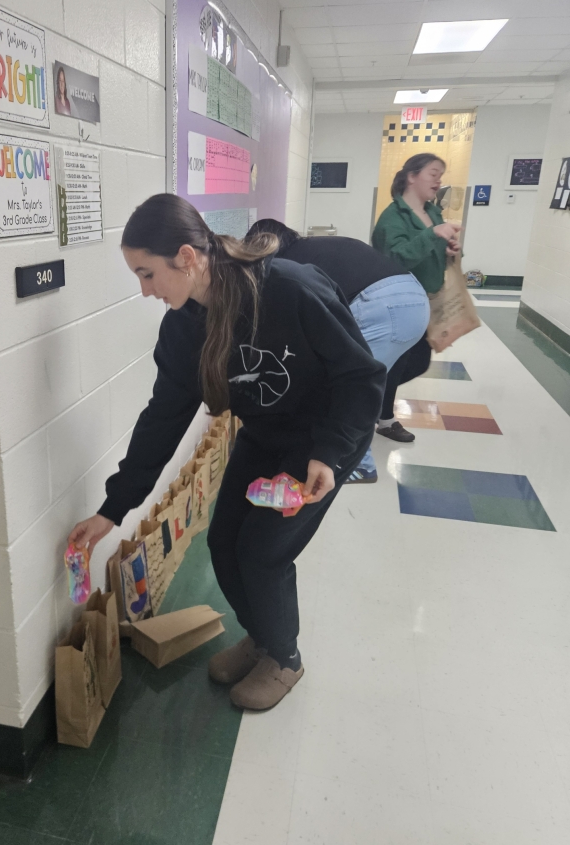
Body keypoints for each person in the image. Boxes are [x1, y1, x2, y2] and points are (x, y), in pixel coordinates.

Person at [69, 194, 385, 711]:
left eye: (148, 274)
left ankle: (285, 658)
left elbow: (361, 375)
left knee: (263, 551)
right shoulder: (182, 328)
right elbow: (162, 421)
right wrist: (112, 510)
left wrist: (329, 453)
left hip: (325, 442)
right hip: (266, 436)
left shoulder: (290, 289)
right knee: (223, 542)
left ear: (188, 259)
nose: (144, 290)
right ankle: (262, 639)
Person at [244, 219, 429, 483]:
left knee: (347, 384)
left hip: (384, 307)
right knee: (373, 377)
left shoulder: (288, 266)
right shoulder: (314, 247)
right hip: (414, 300)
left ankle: (352, 464)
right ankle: (376, 427)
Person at [371, 154, 461, 442]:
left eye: (440, 174)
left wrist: (448, 251)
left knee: (417, 363)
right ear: (412, 176)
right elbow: (395, 258)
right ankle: (383, 418)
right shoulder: (393, 217)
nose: (438, 180)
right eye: (433, 173)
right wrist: (432, 235)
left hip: (426, 301)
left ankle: (371, 401)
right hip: (401, 304)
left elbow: (429, 251)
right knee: (397, 363)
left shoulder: (432, 213)